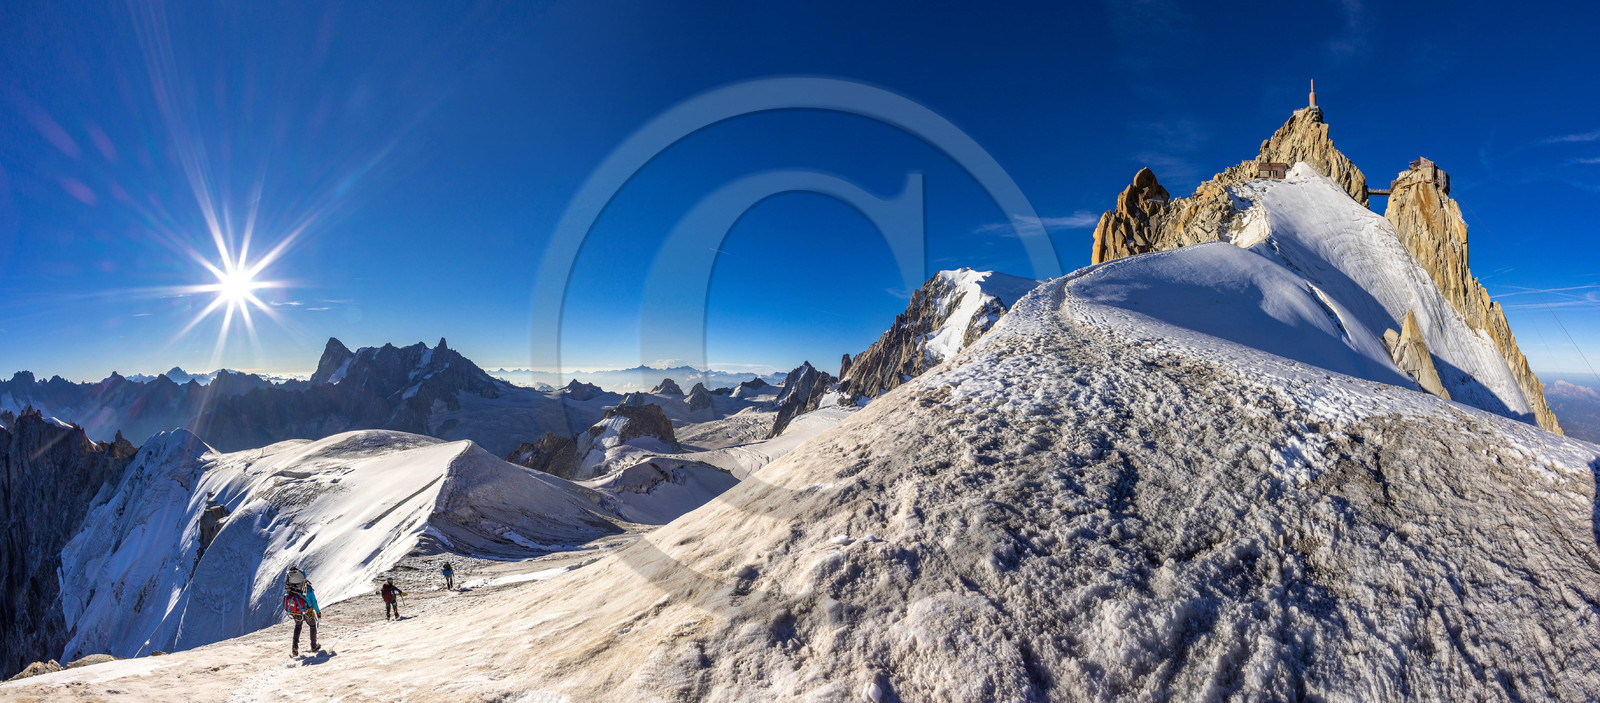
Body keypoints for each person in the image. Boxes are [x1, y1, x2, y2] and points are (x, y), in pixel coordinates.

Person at [284, 567, 322, 656]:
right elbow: (314, 602)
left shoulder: (290, 587)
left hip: (296, 612)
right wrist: (318, 612)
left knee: (298, 627)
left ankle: (294, 648)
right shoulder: (307, 588)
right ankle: (314, 646)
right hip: (306, 611)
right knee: (312, 626)